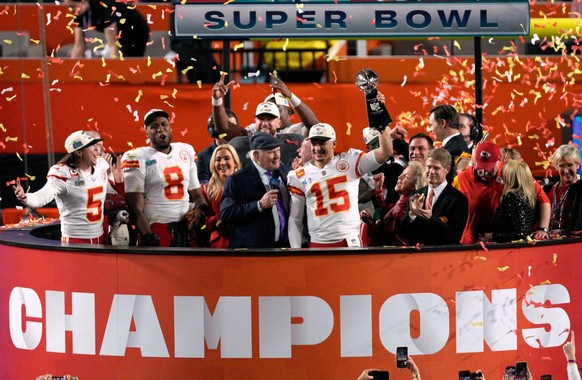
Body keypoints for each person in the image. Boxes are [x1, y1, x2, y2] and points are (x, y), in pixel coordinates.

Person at [287, 123, 394, 248]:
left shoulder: (351, 161)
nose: (317, 148)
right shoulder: (299, 176)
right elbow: (295, 219)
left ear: (334, 144)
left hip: (349, 241)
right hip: (318, 243)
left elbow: (385, 152)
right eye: (314, 143)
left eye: (322, 143)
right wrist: (296, 251)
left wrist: (381, 122)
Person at [121, 108, 207, 247]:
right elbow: (135, 207)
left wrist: (201, 210)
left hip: (186, 227)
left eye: (163, 124)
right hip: (157, 227)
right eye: (154, 126)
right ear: (146, 131)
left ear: (170, 127)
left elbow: (196, 194)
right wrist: (148, 235)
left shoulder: (186, 151)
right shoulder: (136, 157)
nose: (160, 129)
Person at [13, 130, 110, 244]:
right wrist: (25, 197)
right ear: (79, 152)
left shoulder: (101, 164)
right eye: (91, 145)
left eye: (96, 144)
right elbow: (40, 198)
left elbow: (107, 189)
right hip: (76, 241)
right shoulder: (63, 174)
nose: (97, 149)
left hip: (101, 237)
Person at [454, 142, 551, 244]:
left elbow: (542, 199)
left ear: (499, 160)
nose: (483, 172)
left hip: (501, 242)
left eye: (488, 168)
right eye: (480, 168)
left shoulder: (511, 173)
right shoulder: (462, 178)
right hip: (470, 241)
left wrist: (543, 229)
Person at [220, 132, 291, 248]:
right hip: (255, 250)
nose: (277, 156)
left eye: (278, 151)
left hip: (286, 246)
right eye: (272, 152)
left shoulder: (287, 171)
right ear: (256, 156)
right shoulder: (237, 180)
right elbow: (226, 214)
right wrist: (259, 205)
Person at [400, 148, 468, 245]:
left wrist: (431, 218)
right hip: (416, 257)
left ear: (447, 169)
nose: (431, 171)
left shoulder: (458, 199)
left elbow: (454, 236)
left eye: (436, 168)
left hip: (442, 257)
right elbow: (403, 232)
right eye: (428, 167)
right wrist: (412, 214)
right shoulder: (415, 195)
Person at [362, 161, 426, 246]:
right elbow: (388, 214)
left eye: (406, 177)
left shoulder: (404, 207)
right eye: (402, 174)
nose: (399, 177)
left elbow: (383, 235)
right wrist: (378, 191)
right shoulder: (404, 201)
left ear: (414, 186)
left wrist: (370, 222)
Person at [64, 0, 149, 58]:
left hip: (135, 30)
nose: (71, 10)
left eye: (73, 6)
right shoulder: (78, 13)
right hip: (120, 32)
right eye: (69, 7)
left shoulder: (103, 8)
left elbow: (113, 45)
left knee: (127, 63)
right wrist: (71, 71)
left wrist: (115, 73)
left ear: (84, 2)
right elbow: (79, 45)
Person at [479, 160, 536, 243]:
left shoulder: (512, 196)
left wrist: (492, 236)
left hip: (509, 250)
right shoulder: (528, 196)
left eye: (503, 173)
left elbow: (520, 233)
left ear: (510, 176)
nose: (501, 175)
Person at [202, 144, 241, 248]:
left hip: (244, 242)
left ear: (235, 163)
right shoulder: (207, 190)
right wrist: (222, 217)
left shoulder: (246, 185)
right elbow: (204, 224)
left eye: (227, 158)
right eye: (218, 159)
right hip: (220, 244)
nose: (222, 163)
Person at [547, 144, 582, 235]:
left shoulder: (581, 189)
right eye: (562, 166)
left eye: (570, 165)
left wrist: (564, 232)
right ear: (556, 166)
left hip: (572, 243)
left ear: (577, 165)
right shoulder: (548, 190)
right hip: (549, 241)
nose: (566, 170)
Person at [428, 104, 470, 179]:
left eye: (431, 125)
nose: (430, 129)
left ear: (443, 123)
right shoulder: (457, 144)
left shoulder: (452, 151)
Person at [196, 110, 238, 183]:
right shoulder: (202, 158)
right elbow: (205, 191)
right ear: (213, 131)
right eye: (226, 127)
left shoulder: (245, 152)